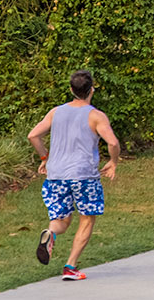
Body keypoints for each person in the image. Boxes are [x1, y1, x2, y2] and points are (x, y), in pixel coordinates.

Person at [27, 70, 122, 281]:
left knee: (61, 220)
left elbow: (33, 135)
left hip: (56, 176)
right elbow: (113, 143)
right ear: (92, 90)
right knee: (86, 219)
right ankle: (70, 266)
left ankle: (50, 234)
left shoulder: (56, 112)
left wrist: (45, 158)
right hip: (84, 176)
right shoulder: (96, 116)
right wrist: (113, 162)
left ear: (71, 89)